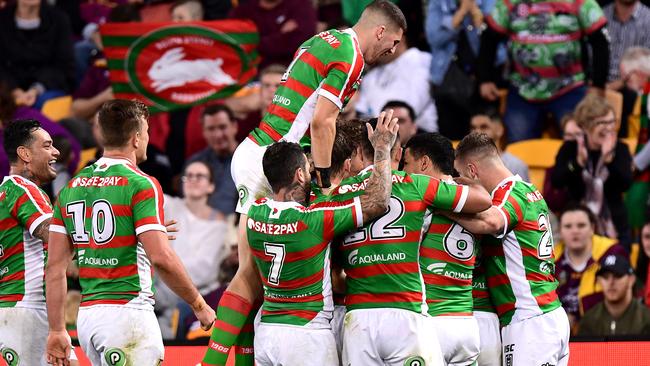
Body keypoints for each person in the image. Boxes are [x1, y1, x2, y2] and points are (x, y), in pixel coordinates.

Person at [203, 2, 407, 364]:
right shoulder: (351, 56)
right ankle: (214, 361)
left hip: (258, 152)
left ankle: (240, 359)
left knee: (257, 273)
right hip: (269, 161)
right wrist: (326, 182)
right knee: (249, 273)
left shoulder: (322, 40)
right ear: (379, 31)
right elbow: (323, 123)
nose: (392, 52)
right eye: (392, 42)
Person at [45, 100, 216, 366]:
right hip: (127, 314)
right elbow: (160, 258)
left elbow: (55, 268)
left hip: (89, 318)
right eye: (146, 132)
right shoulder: (141, 184)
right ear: (136, 138)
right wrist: (198, 305)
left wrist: (57, 329)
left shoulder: (72, 187)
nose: (147, 138)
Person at [321, 120, 491, 366]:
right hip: (406, 311)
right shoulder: (417, 185)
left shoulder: (340, 194)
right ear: (398, 153)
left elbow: (333, 268)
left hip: (358, 316)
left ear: (357, 152)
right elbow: (483, 201)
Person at [251, 111, 398, 366]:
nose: (313, 175)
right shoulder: (315, 220)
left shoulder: (255, 213)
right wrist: (382, 150)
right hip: (308, 335)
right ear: (299, 175)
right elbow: (378, 201)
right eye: (308, 170)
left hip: (266, 333)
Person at [449, 132, 570, 366]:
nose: (462, 183)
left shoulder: (508, 194)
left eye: (462, 176)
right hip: (547, 314)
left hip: (529, 320)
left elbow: (491, 222)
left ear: (473, 170)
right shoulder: (529, 190)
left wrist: (438, 204)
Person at [0, 120, 78, 366]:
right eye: (47, 146)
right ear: (24, 154)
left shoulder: (6, 191)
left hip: (23, 308)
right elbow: (52, 236)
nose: (56, 152)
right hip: (28, 307)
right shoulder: (21, 188)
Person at [477, 0, 610, 143]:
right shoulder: (509, 2)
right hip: (523, 91)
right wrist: (485, 79)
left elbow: (600, 41)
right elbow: (489, 36)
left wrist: (598, 85)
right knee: (519, 153)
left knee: (579, 146)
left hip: (570, 89)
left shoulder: (580, 2)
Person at [401, 133, 482, 366]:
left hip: (432, 321)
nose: (404, 173)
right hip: (466, 322)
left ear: (424, 162)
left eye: (406, 164)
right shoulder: (474, 202)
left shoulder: (419, 202)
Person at [156, 161, 229, 339]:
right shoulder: (169, 205)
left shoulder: (219, 225)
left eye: (200, 176)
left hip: (193, 299)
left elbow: (204, 272)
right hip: (160, 289)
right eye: (189, 175)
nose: (193, 180)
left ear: (211, 186)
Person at [551, 94, 633, 247]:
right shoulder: (570, 149)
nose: (609, 128)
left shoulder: (620, 149)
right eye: (602, 122)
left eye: (611, 122)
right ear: (586, 125)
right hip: (577, 223)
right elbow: (557, 181)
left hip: (614, 225)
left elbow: (626, 183)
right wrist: (577, 163)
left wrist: (609, 161)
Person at [426, 0, 505, 139]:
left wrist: (475, 13)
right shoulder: (439, 3)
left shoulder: (490, 2)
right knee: (451, 139)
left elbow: (495, 41)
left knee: (483, 138)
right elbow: (434, 38)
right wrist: (461, 12)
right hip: (448, 82)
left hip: (484, 81)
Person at [554, 204, 628, 332]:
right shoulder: (549, 260)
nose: (575, 231)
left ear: (592, 228)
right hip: (558, 333)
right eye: (568, 226)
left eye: (581, 225)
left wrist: (577, 316)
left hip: (602, 331)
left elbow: (622, 293)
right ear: (560, 231)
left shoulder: (612, 252)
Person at [0, 0, 76, 109]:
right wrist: (14, 90)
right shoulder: (2, 19)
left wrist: (35, 90)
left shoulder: (59, 19)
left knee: (43, 104)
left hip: (47, 88)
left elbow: (64, 66)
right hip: (7, 86)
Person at [356, 34, 438, 133]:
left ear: (400, 39)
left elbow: (412, 105)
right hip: (378, 134)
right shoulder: (370, 77)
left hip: (418, 134)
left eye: (381, 41)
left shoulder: (421, 60)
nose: (376, 46)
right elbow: (362, 112)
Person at [230, 0, 317, 70]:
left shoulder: (301, 6)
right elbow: (235, 43)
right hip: (251, 71)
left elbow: (302, 43)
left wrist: (256, 42)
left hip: (291, 71)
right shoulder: (243, 10)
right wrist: (281, 34)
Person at [579, 254, 650, 335]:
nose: (611, 282)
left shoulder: (647, 319)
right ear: (598, 281)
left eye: (618, 275)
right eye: (605, 277)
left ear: (631, 280)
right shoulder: (589, 320)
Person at [188, 105, 238, 216]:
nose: (218, 135)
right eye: (211, 129)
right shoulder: (194, 163)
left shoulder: (251, 161)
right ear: (203, 132)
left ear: (234, 126)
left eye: (222, 127)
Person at [470, 107, 530, 182]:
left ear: (500, 130)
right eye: (473, 128)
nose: (476, 132)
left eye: (484, 127)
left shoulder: (515, 165)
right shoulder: (465, 163)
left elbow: (523, 194)